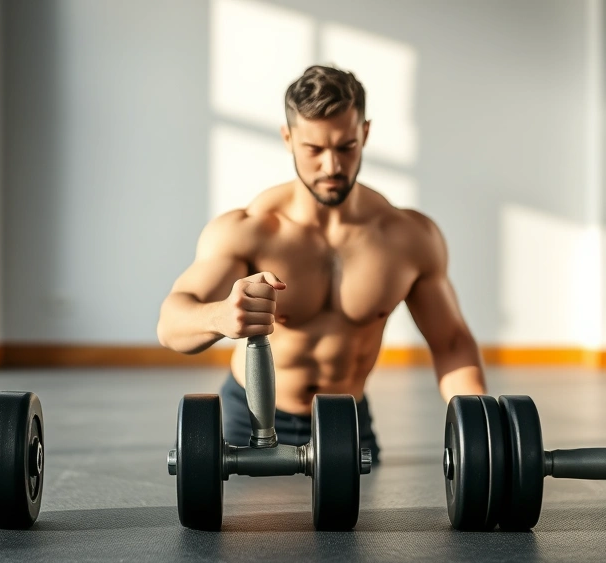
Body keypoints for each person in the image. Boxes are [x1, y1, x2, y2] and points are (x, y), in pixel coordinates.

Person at [157, 65, 486, 461]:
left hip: (346, 422)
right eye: (314, 149)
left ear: (365, 133)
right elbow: (170, 325)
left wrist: (479, 424)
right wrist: (220, 317)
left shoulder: (409, 238)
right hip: (249, 420)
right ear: (288, 138)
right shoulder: (249, 230)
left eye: (346, 147)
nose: (331, 167)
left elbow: (451, 343)